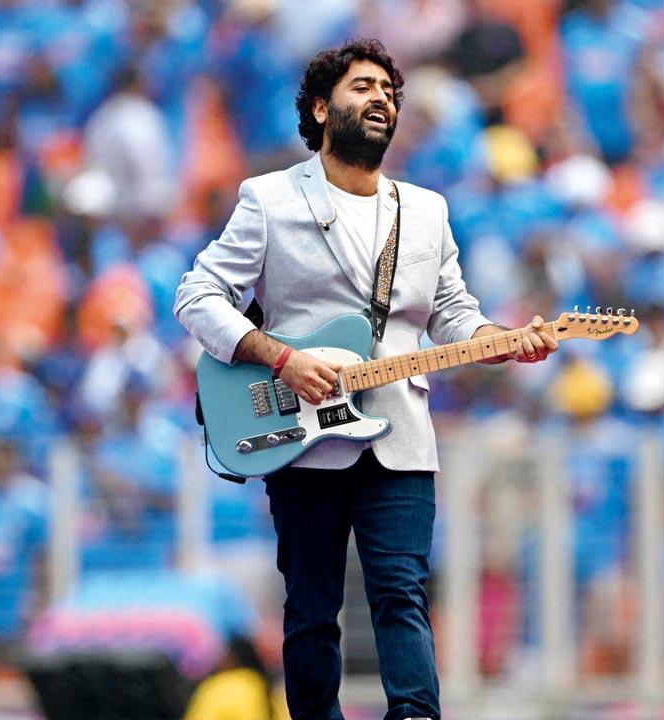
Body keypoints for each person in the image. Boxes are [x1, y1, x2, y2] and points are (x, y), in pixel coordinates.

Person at [174, 39, 557, 720]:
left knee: (403, 590)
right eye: (362, 87)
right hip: (300, 427)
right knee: (313, 604)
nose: (381, 97)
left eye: (389, 90)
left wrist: (500, 343)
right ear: (321, 108)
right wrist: (279, 356)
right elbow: (197, 296)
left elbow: (452, 314)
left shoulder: (428, 210)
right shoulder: (269, 199)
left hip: (400, 435)